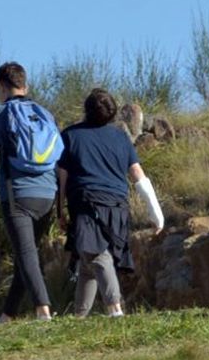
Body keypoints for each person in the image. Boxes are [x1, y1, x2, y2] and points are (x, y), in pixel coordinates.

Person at [56, 88, 166, 317]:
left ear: (86, 111)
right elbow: (138, 174)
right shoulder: (120, 138)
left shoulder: (70, 136)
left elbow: (62, 177)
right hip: (118, 206)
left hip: (87, 204)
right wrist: (156, 212)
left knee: (96, 254)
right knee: (87, 263)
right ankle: (79, 317)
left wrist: (60, 211)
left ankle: (115, 309)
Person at [0, 62, 64, 323]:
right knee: (27, 255)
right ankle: (7, 316)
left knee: (26, 254)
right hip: (48, 193)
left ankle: (43, 310)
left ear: (2, 87)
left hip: (18, 194)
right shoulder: (45, 114)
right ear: (25, 85)